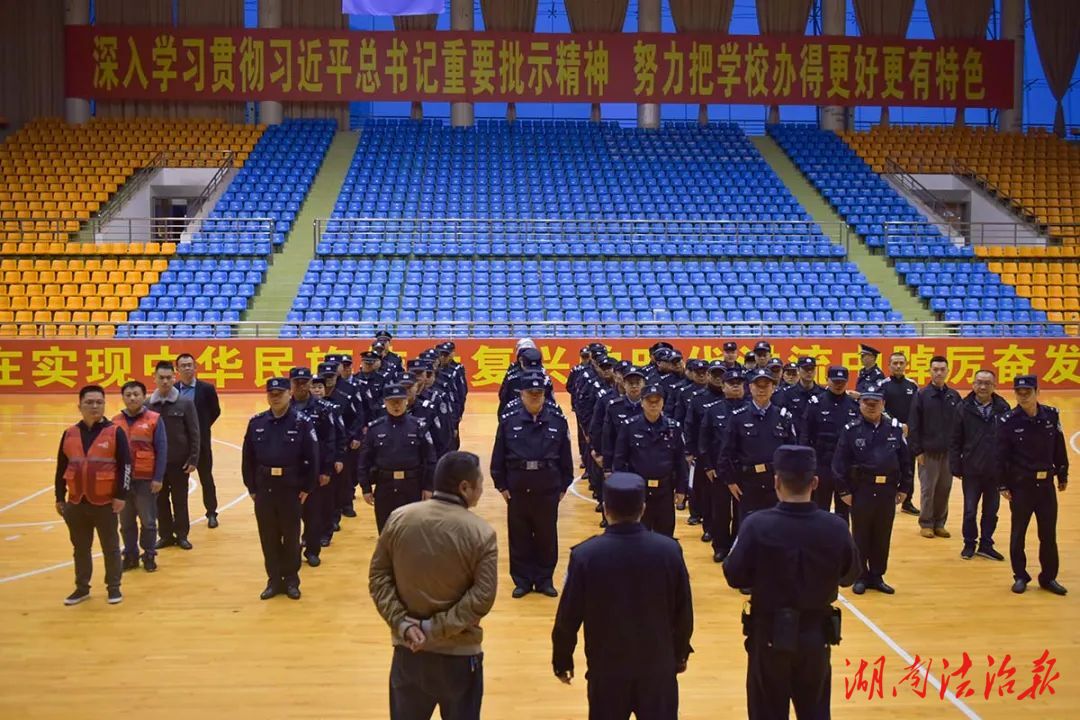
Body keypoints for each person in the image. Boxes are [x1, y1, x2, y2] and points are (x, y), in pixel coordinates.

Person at [723, 446, 858, 720]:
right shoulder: (835, 526)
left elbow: (734, 575)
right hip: (815, 636)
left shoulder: (756, 525)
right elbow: (850, 575)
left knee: (767, 711)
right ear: (815, 482)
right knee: (815, 711)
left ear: (776, 482)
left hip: (769, 634)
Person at [552, 473, 693, 720]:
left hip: (607, 670)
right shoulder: (669, 551)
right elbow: (683, 612)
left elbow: (568, 615)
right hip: (657, 668)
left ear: (606, 510)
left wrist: (562, 659)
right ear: (643, 508)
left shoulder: (586, 555)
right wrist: (679, 654)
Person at [369, 452, 497, 720]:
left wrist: (404, 624)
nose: (482, 490)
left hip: (408, 653)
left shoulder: (398, 518)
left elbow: (378, 577)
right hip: (460, 658)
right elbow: (482, 598)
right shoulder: (482, 533)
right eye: (480, 483)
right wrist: (433, 629)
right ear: (464, 487)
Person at [491, 370, 574, 599]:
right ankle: (523, 580)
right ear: (521, 395)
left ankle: (544, 579)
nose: (535, 397)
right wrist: (501, 485)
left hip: (548, 486)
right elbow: (499, 455)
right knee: (520, 536)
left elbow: (565, 456)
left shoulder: (557, 421)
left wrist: (564, 485)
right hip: (517, 487)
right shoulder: (509, 421)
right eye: (531, 393)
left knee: (547, 535)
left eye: (539, 393)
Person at [241, 378, 319, 600]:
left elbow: (312, 456)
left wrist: (307, 487)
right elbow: (248, 458)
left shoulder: (301, 422)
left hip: (291, 488)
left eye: (280, 392)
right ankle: (274, 580)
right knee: (268, 536)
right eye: (271, 393)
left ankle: (292, 580)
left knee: (291, 536)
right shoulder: (257, 423)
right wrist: (251, 487)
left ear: (289, 394)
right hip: (265, 488)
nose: (275, 396)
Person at [55, 385, 132, 605]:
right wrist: (60, 497)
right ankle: (82, 588)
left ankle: (114, 587)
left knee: (110, 547)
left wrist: (121, 495)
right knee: (80, 548)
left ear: (105, 404)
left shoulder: (115, 432)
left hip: (105, 501)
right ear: (79, 406)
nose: (94, 406)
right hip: (76, 501)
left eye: (99, 402)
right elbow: (61, 468)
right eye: (89, 402)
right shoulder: (69, 433)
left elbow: (126, 466)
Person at [832, 390, 913, 595]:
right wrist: (843, 491)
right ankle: (860, 576)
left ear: (883, 404)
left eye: (875, 402)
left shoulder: (895, 430)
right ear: (859, 405)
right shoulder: (851, 430)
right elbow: (839, 464)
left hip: (887, 490)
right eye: (866, 402)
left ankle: (877, 576)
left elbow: (905, 461)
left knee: (882, 534)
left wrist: (905, 488)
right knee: (861, 534)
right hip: (862, 490)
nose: (871, 406)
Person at [996, 375, 1068, 595]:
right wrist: (1002, 484)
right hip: (1021, 486)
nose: (1023, 395)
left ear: (1037, 391)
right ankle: (1020, 576)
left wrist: (1062, 474)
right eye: (1019, 391)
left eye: (1028, 391)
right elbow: (1001, 455)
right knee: (1019, 533)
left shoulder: (1051, 415)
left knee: (1048, 534)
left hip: (1046, 485)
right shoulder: (1007, 420)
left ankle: (1048, 578)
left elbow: (1059, 446)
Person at [718, 368, 798, 521]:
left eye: (766, 386)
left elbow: (792, 452)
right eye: (758, 386)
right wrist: (730, 481)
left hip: (776, 482)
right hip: (747, 483)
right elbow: (726, 452)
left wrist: (789, 482)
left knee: (776, 527)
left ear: (773, 388)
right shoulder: (738, 418)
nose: (762, 390)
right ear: (750, 388)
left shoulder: (784, 417)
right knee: (748, 526)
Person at [358, 384, 438, 533]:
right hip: (385, 486)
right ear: (385, 403)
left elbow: (430, 458)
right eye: (392, 401)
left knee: (412, 531)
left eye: (400, 401)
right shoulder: (375, 428)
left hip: (412, 486)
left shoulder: (418, 426)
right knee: (385, 530)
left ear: (406, 401)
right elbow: (364, 460)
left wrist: (428, 487)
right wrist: (366, 488)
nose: (396, 405)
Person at [612, 385, 689, 537]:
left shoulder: (674, 428)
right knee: (638, 535)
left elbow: (680, 461)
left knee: (665, 535)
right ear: (642, 403)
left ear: (663, 403)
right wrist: (623, 490)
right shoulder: (629, 427)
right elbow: (620, 461)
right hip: (638, 491)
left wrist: (681, 489)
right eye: (649, 401)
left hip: (665, 491)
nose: (653, 405)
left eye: (657, 401)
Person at [949, 369, 1010, 561]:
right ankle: (969, 543)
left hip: (994, 470)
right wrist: (955, 466)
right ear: (973, 384)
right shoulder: (962, 407)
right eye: (979, 383)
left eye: (987, 383)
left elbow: (1009, 441)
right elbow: (955, 439)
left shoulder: (1003, 407)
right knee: (969, 511)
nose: (983, 387)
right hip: (971, 469)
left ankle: (986, 544)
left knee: (991, 511)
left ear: (994, 386)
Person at [114, 380, 166, 573]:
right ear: (123, 398)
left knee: (148, 521)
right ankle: (130, 555)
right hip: (123, 483)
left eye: (136, 394)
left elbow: (161, 449)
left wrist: (158, 478)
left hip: (146, 480)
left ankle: (149, 554)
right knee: (126, 522)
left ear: (144, 396)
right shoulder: (115, 422)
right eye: (128, 395)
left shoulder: (154, 419)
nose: (132, 398)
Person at [148, 360, 200, 551]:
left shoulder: (185, 403)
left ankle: (182, 535)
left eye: (169, 377)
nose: (165, 381)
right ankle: (166, 535)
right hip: (157, 466)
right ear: (154, 378)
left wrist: (193, 459)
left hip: (180, 463)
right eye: (161, 378)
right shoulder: (148, 405)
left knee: (180, 500)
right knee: (160, 501)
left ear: (174, 377)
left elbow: (194, 432)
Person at [290, 367, 340, 567]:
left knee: (313, 513)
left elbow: (330, 440)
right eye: (297, 382)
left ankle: (312, 550)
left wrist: (326, 470)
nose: (301, 386)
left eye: (305, 381)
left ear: (311, 383)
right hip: (291, 471)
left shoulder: (322, 408)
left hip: (314, 469)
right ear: (291, 384)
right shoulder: (285, 407)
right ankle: (292, 551)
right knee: (290, 515)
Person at [907, 356, 962, 539]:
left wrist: (958, 451)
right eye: (935, 369)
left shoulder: (954, 396)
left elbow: (960, 425)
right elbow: (913, 425)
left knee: (944, 489)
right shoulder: (921, 395)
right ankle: (926, 523)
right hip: (927, 452)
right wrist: (917, 451)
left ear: (947, 371)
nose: (939, 372)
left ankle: (940, 523)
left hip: (948, 452)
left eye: (942, 369)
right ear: (930, 371)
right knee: (928, 490)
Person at [697, 369, 749, 562]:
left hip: (743, 469)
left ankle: (737, 546)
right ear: (723, 386)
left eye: (738, 382)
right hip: (720, 469)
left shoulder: (750, 408)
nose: (735, 385)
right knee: (720, 511)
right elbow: (704, 441)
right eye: (731, 382)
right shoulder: (713, 410)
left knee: (741, 511)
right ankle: (720, 546)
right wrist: (708, 466)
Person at [800, 366, 860, 523]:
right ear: (827, 380)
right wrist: (808, 467)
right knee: (819, 510)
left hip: (845, 468)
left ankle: (841, 544)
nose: (838, 385)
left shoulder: (854, 406)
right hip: (822, 466)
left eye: (842, 381)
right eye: (835, 381)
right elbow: (805, 437)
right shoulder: (816, 403)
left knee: (844, 511)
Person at [175, 353, 222, 527]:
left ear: (195, 367)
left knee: (206, 478)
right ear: (177, 369)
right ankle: (181, 519)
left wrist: (200, 428)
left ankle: (211, 513)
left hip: (201, 443)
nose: (187, 368)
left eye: (190, 365)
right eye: (183, 365)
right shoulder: (173, 390)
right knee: (181, 484)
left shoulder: (206, 389)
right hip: (180, 445)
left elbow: (215, 411)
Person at [874, 352, 920, 516]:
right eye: (895, 363)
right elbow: (880, 408)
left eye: (901, 363)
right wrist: (897, 424)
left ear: (906, 365)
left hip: (909, 433)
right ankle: (887, 497)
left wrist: (910, 425)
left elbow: (917, 408)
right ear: (889, 365)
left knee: (909, 466)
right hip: (889, 431)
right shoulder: (883, 385)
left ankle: (907, 501)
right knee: (890, 465)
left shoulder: (912, 385)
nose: (898, 366)